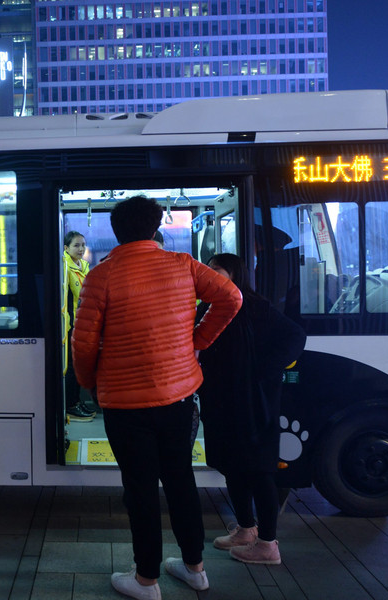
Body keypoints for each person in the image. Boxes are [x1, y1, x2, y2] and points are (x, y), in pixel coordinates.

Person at [72, 196, 242, 599]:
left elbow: (83, 344)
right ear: (154, 228)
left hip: (124, 404)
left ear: (117, 232)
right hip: (178, 397)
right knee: (181, 479)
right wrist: (198, 340)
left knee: (141, 489)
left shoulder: (100, 276)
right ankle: (195, 569)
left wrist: (89, 383)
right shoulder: (184, 265)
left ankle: (146, 580)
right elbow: (231, 298)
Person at [197, 253, 306, 566]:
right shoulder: (207, 307)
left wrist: (264, 371)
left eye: (217, 270)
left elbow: (295, 336)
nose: (210, 275)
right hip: (220, 403)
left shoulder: (256, 306)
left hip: (253, 403)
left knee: (259, 470)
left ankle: (268, 544)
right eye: (208, 270)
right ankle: (246, 529)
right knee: (232, 466)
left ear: (235, 273)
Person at [62, 230, 94, 421]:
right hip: (70, 325)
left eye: (83, 245)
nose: (81, 249)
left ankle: (76, 400)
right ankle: (70, 404)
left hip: (82, 323)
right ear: (66, 248)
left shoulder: (83, 266)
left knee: (79, 365)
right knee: (72, 367)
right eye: (76, 245)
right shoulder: (64, 267)